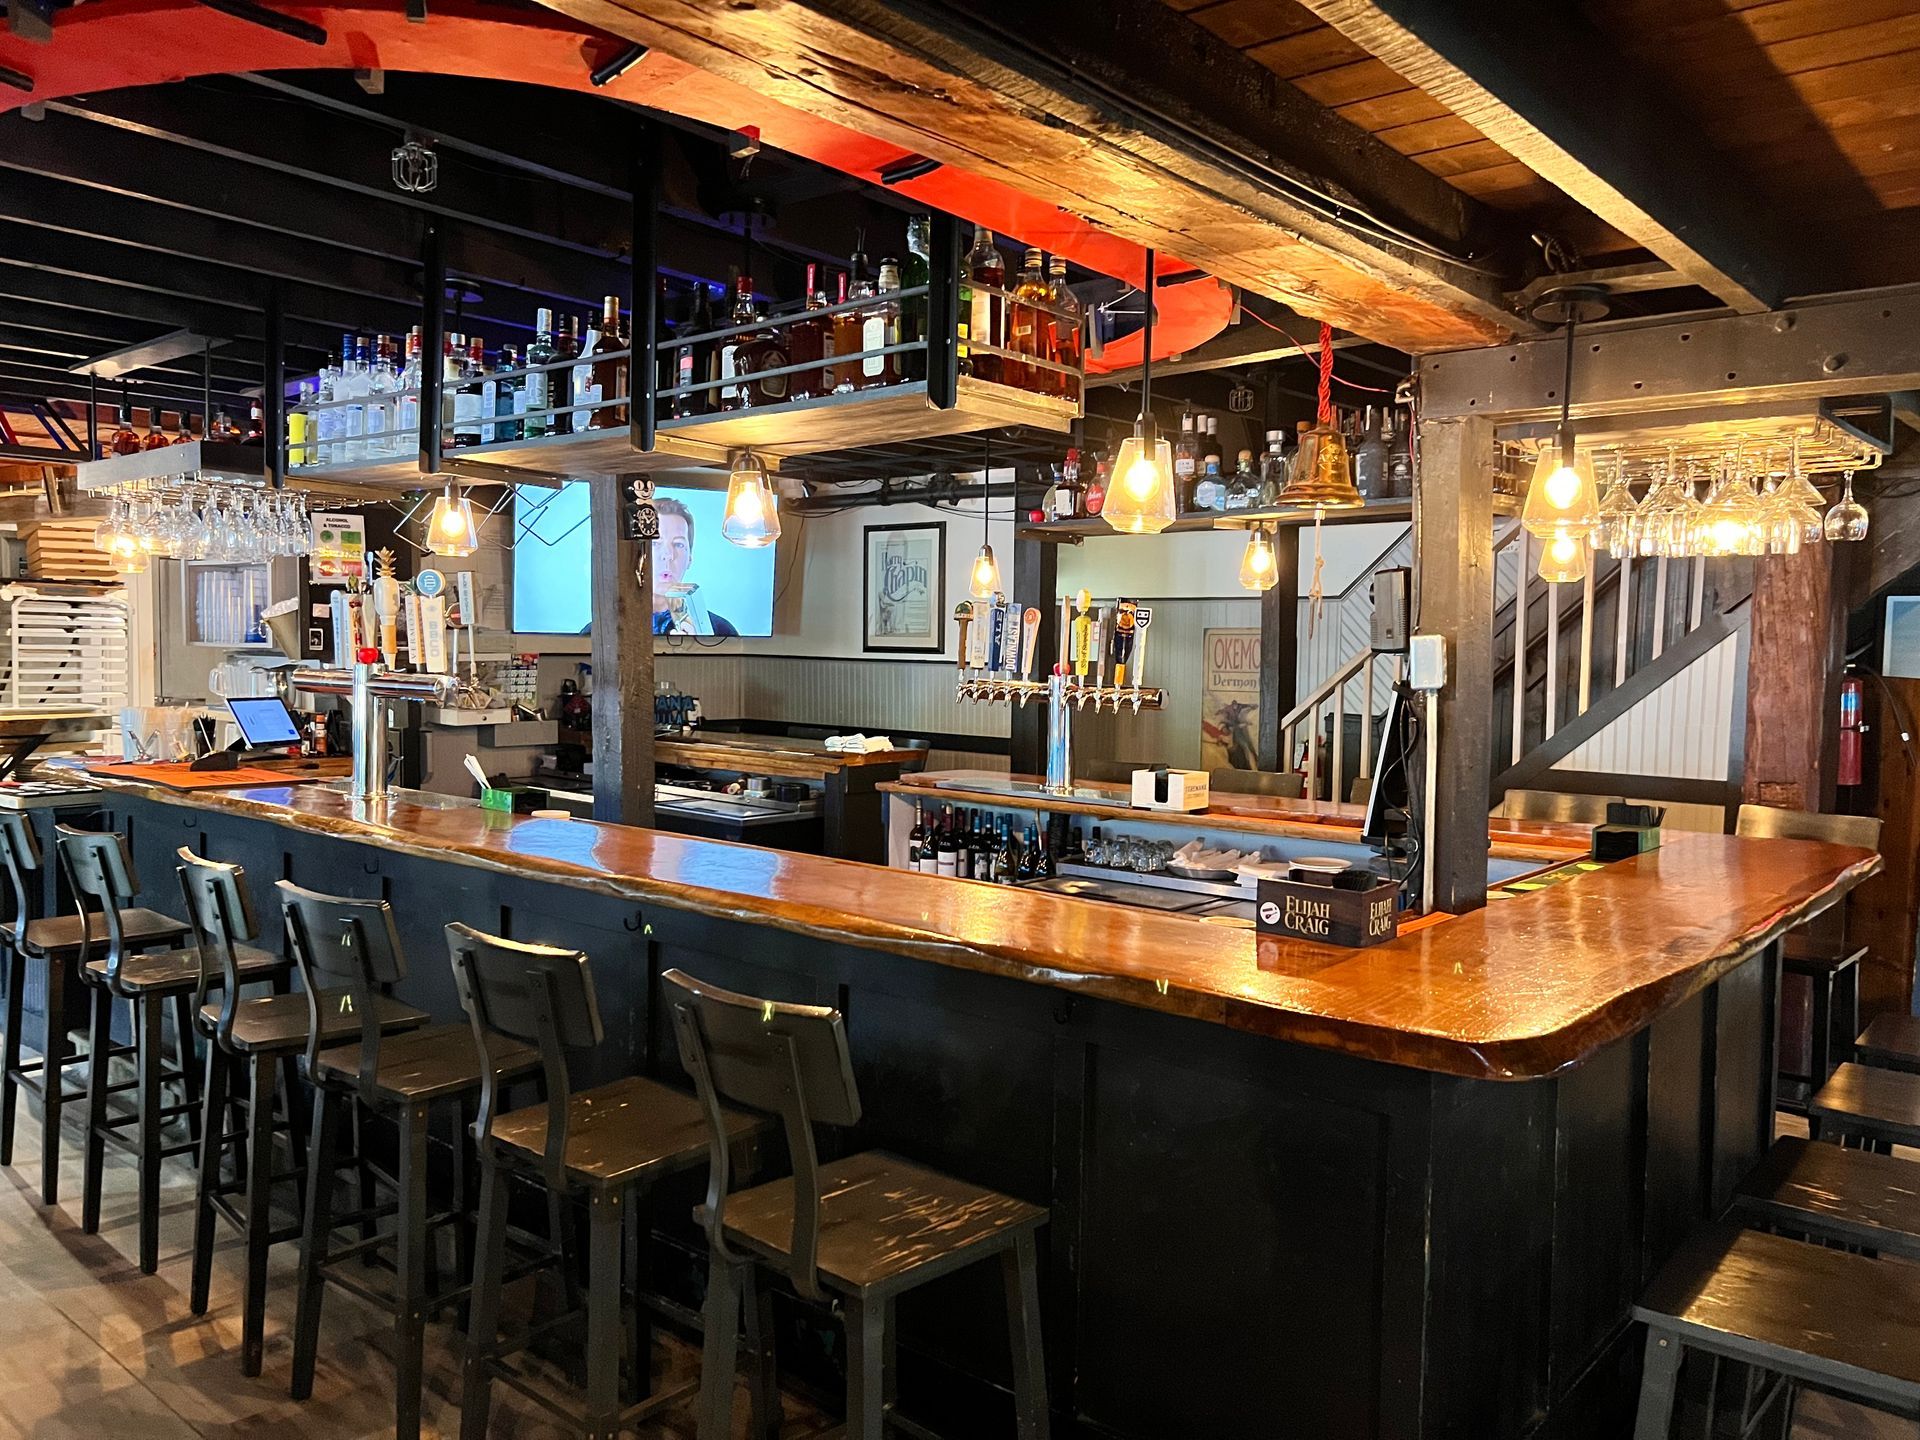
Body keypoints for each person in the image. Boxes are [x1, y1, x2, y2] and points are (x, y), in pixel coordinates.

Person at [651, 496, 738, 637]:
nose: (668, 555)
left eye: (678, 544)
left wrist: (700, 647)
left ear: (689, 558)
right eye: (655, 543)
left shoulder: (719, 631)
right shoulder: (617, 624)